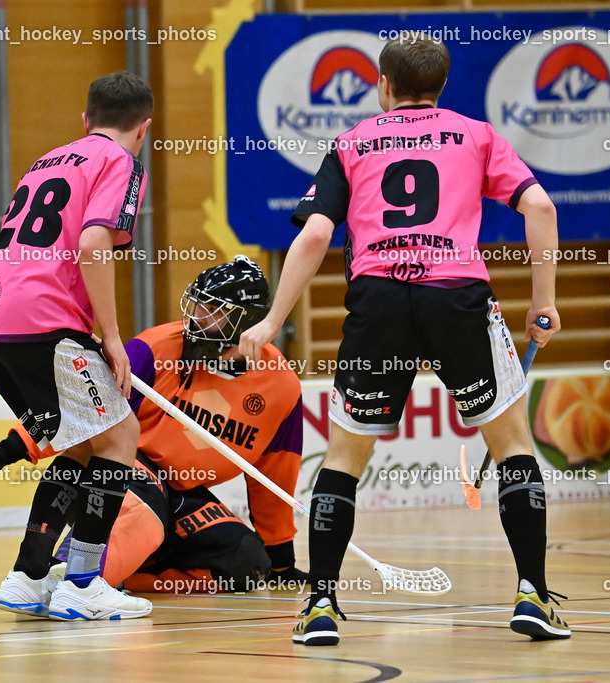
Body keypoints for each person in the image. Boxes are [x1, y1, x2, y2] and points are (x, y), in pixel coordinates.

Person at [238, 33, 570, 645]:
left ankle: (320, 606)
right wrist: (543, 303)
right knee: (515, 444)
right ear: (442, 86)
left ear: (382, 85)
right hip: (458, 300)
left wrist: (269, 321)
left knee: (344, 458)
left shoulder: (352, 142)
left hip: (379, 304)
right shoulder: (476, 134)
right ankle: (532, 595)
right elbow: (541, 207)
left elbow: (313, 237)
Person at [0, 257, 308, 599]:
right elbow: (82, 410)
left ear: (247, 323)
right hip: (132, 469)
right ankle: (70, 578)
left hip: (184, 496)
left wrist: (282, 563)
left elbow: (275, 475)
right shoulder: (154, 348)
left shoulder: (283, 388)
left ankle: (128, 576)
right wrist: (9, 450)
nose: (196, 319)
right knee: (141, 505)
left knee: (247, 561)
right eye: (198, 305)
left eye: (213, 312)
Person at [0, 70, 153, 621]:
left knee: (78, 445)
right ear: (144, 128)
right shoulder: (121, 162)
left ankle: (29, 576)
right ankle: (85, 581)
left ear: (85, 120)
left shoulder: (47, 159)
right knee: (121, 438)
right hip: (42, 319)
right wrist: (111, 337)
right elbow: (94, 243)